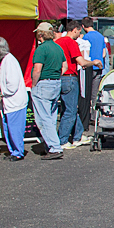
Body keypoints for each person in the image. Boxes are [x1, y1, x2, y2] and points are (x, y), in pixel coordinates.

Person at [55, 21, 103, 149]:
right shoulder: (71, 42)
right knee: (70, 110)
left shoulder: (58, 42)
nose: (79, 35)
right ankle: (63, 140)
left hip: (59, 77)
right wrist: (94, 62)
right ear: (75, 30)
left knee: (68, 108)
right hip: (70, 77)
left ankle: (78, 135)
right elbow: (81, 62)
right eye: (79, 32)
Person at [31, 22, 67, 160]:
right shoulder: (58, 48)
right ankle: (52, 145)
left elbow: (37, 69)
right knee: (51, 116)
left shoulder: (41, 49)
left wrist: (34, 84)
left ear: (40, 34)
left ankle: (54, 147)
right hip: (56, 83)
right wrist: (56, 75)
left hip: (43, 84)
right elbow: (65, 66)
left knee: (43, 118)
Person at [0, 37, 28, 161]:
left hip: (14, 102)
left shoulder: (9, 61)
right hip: (8, 103)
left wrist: (3, 94)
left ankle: (18, 152)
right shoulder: (3, 61)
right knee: (8, 127)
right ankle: (13, 150)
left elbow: (12, 84)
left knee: (15, 128)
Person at [81, 17, 106, 121]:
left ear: (83, 26)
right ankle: (95, 115)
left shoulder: (86, 37)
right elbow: (104, 53)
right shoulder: (100, 36)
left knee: (86, 91)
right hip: (99, 66)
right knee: (95, 93)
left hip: (89, 66)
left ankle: (86, 114)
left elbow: (84, 53)